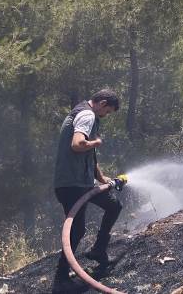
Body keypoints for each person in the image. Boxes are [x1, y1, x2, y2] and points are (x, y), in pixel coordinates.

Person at [53, 89, 122, 291]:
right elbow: (78, 145)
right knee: (76, 230)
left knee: (114, 205)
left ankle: (98, 250)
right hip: (72, 185)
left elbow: (87, 157)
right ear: (101, 103)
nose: (105, 115)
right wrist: (96, 142)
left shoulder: (84, 113)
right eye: (107, 111)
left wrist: (102, 179)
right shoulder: (87, 115)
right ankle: (61, 280)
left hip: (81, 183)